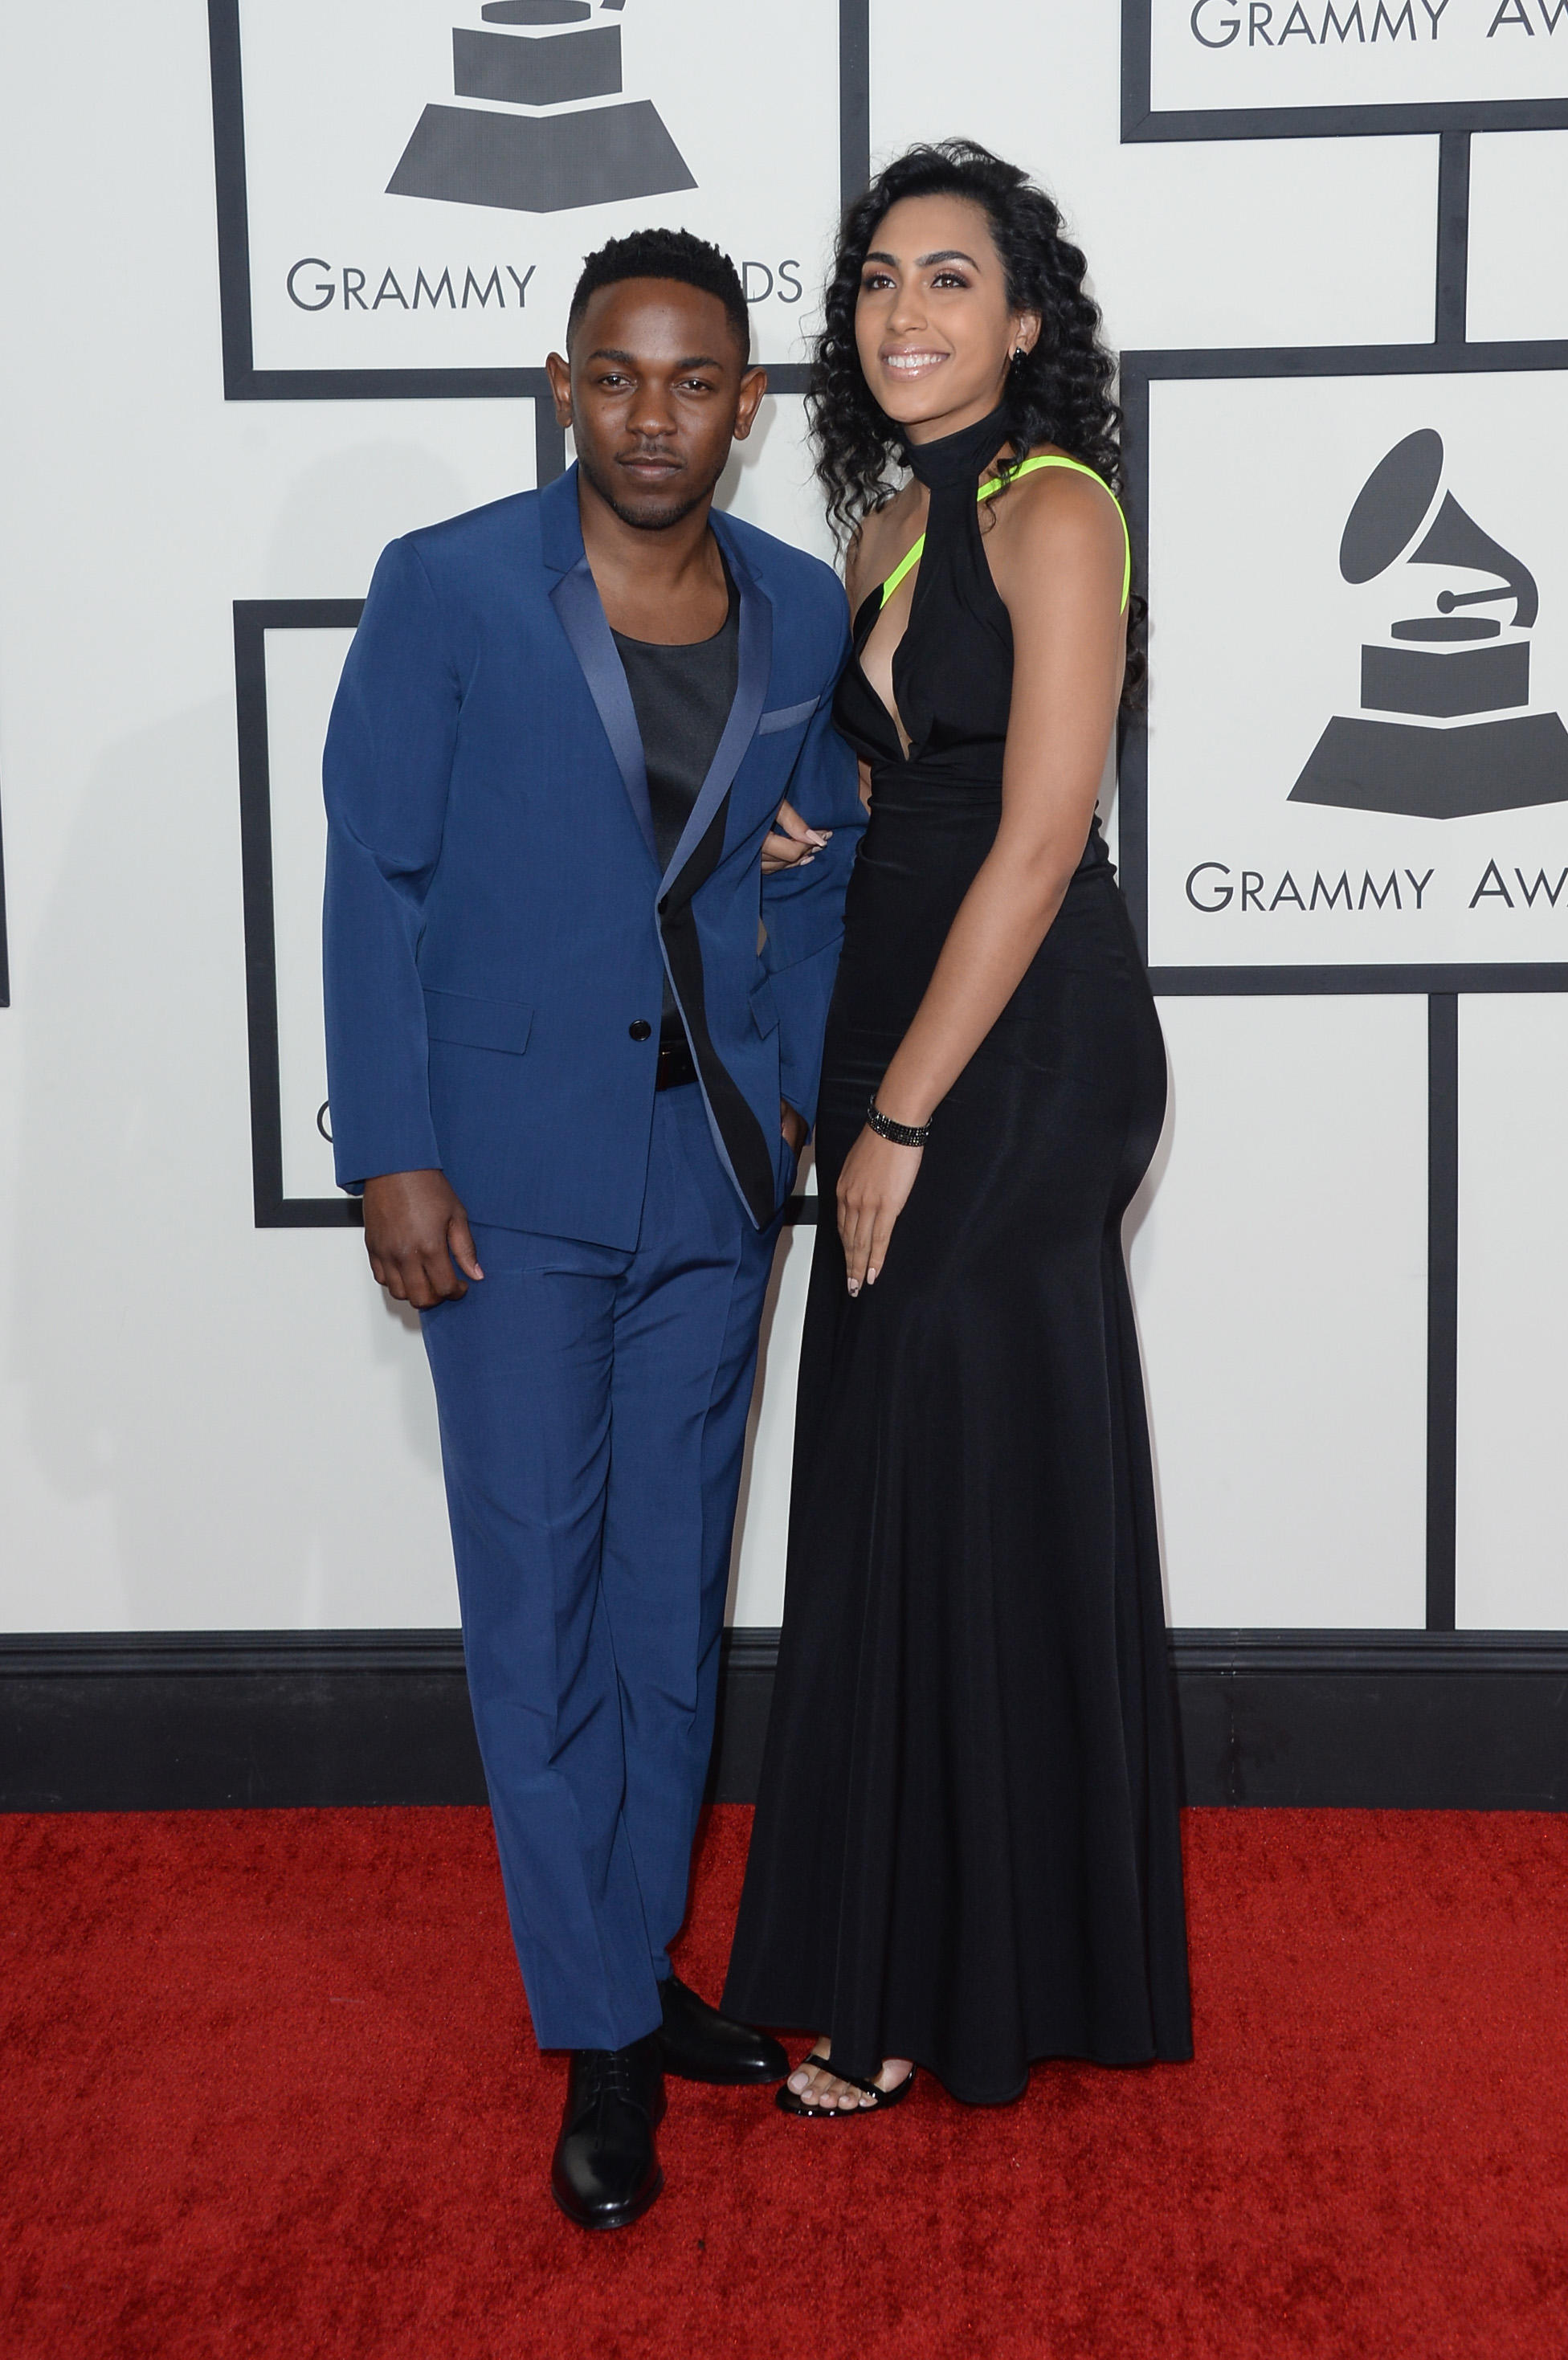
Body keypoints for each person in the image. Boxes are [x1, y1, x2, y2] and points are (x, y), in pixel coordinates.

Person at [321, 228, 866, 2227]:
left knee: (662, 1608)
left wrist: (796, 1087)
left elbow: (808, 873)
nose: (656, 414)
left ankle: (632, 1966)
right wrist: (389, 1145)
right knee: (538, 1611)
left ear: (744, 400)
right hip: (506, 1188)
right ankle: (601, 2031)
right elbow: (376, 876)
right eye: (618, 377)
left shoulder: (800, 613)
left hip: (715, 1181)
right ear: (565, 388)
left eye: (696, 378)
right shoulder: (452, 585)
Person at [723, 143, 1193, 2112]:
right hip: (892, 1037)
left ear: (1021, 319)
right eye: (873, 281)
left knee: (953, 1478)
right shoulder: (878, 531)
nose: (901, 313)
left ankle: (936, 1984)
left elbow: (1032, 829)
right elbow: (883, 784)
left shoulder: (1056, 505)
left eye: (947, 278)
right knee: (909, 1486)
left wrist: (900, 1116)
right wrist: (803, 813)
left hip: (1019, 1054)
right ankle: (943, 1950)